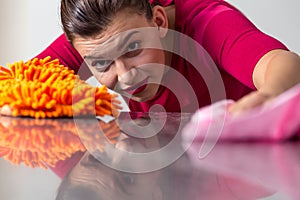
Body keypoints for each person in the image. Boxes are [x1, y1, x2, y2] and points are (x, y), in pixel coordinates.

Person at [35, 0, 300, 114]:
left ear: (159, 21)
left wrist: (269, 97)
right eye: (102, 65)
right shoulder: (94, 39)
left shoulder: (205, 21)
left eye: (134, 49)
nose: (126, 76)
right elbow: (14, 84)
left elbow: (282, 64)